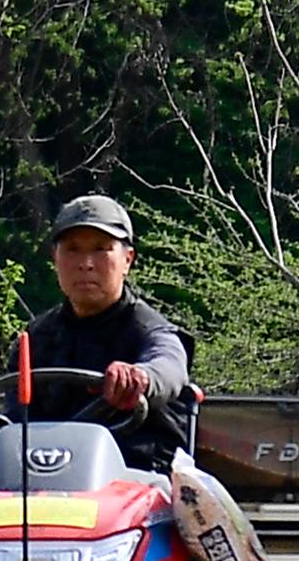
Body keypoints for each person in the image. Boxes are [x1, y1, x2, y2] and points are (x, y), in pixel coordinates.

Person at [19, 193, 194, 469]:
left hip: (137, 484)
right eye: (73, 249)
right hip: (43, 485)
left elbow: (170, 365)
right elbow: (13, 424)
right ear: (55, 257)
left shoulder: (149, 329)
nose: (86, 263)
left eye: (101, 249)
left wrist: (141, 378)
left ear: (127, 260)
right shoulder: (36, 337)